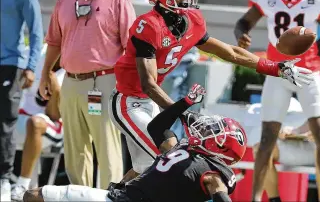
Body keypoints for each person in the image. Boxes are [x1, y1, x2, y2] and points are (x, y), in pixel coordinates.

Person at [110, 0, 313, 184]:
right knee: (169, 159)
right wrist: (183, 112)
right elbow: (148, 83)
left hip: (149, 104)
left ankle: (112, 196)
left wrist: (276, 68)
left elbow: (231, 53)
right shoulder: (148, 25)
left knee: (145, 167)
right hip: (128, 103)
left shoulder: (192, 20)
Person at [24, 84, 247, 202]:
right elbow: (155, 128)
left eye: (213, 131)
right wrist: (184, 104)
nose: (206, 129)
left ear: (222, 147)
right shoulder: (183, 148)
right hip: (117, 197)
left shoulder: (214, 172)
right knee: (33, 196)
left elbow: (219, 192)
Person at [233, 0, 320, 201]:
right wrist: (242, 35)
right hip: (277, 71)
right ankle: (257, 197)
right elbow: (244, 22)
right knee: (267, 136)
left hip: (308, 71)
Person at [38, 0, 136, 189]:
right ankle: (80, 197)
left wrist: (129, 85)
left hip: (105, 81)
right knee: (75, 151)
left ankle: (107, 196)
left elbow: (131, 47)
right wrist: (45, 74)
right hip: (71, 81)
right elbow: (54, 41)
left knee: (107, 147)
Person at [252, 69, 320, 201]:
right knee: (261, 149)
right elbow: (316, 121)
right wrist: (294, 132)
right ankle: (274, 199)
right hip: (313, 146)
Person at [0, 0, 43, 201]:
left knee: (4, 122)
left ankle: (4, 179)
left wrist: (31, 67)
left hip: (10, 64)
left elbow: (36, 31)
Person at [11, 44, 65, 201]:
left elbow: (54, 114)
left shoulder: (72, 67)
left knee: (35, 123)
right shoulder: (35, 53)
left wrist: (55, 90)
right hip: (22, 118)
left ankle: (22, 185)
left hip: (54, 124)